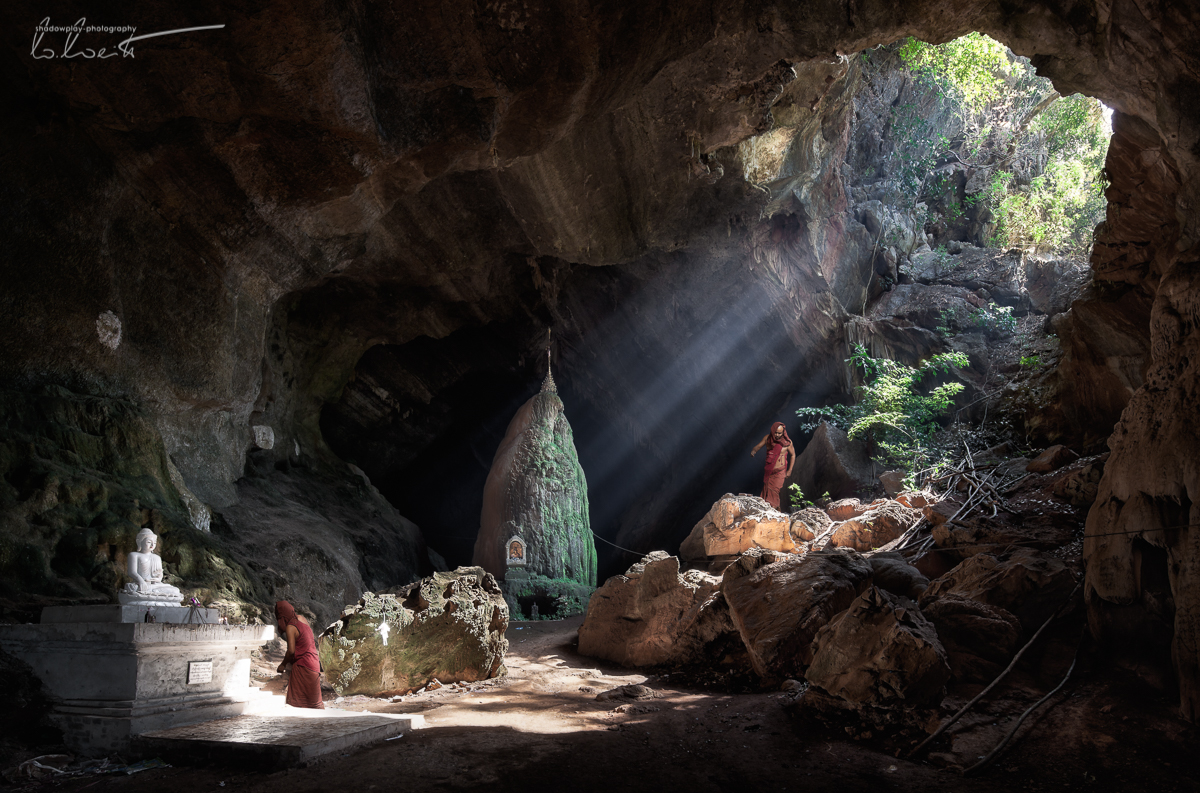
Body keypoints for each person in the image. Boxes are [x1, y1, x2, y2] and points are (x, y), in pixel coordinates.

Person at [275, 601, 325, 709]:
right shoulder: (301, 618)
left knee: (297, 704)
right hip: (314, 662)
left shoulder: (290, 627)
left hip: (303, 665)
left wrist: (282, 665)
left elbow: (291, 651)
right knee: (316, 704)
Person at [750, 421, 795, 510]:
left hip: (780, 471)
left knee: (774, 492)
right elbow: (758, 447)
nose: (778, 435)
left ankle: (774, 514)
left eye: (780, 433)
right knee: (767, 494)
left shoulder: (787, 442)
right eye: (776, 433)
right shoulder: (767, 439)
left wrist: (789, 470)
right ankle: (777, 514)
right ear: (772, 431)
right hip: (769, 471)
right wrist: (753, 451)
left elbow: (793, 455)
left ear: (783, 432)